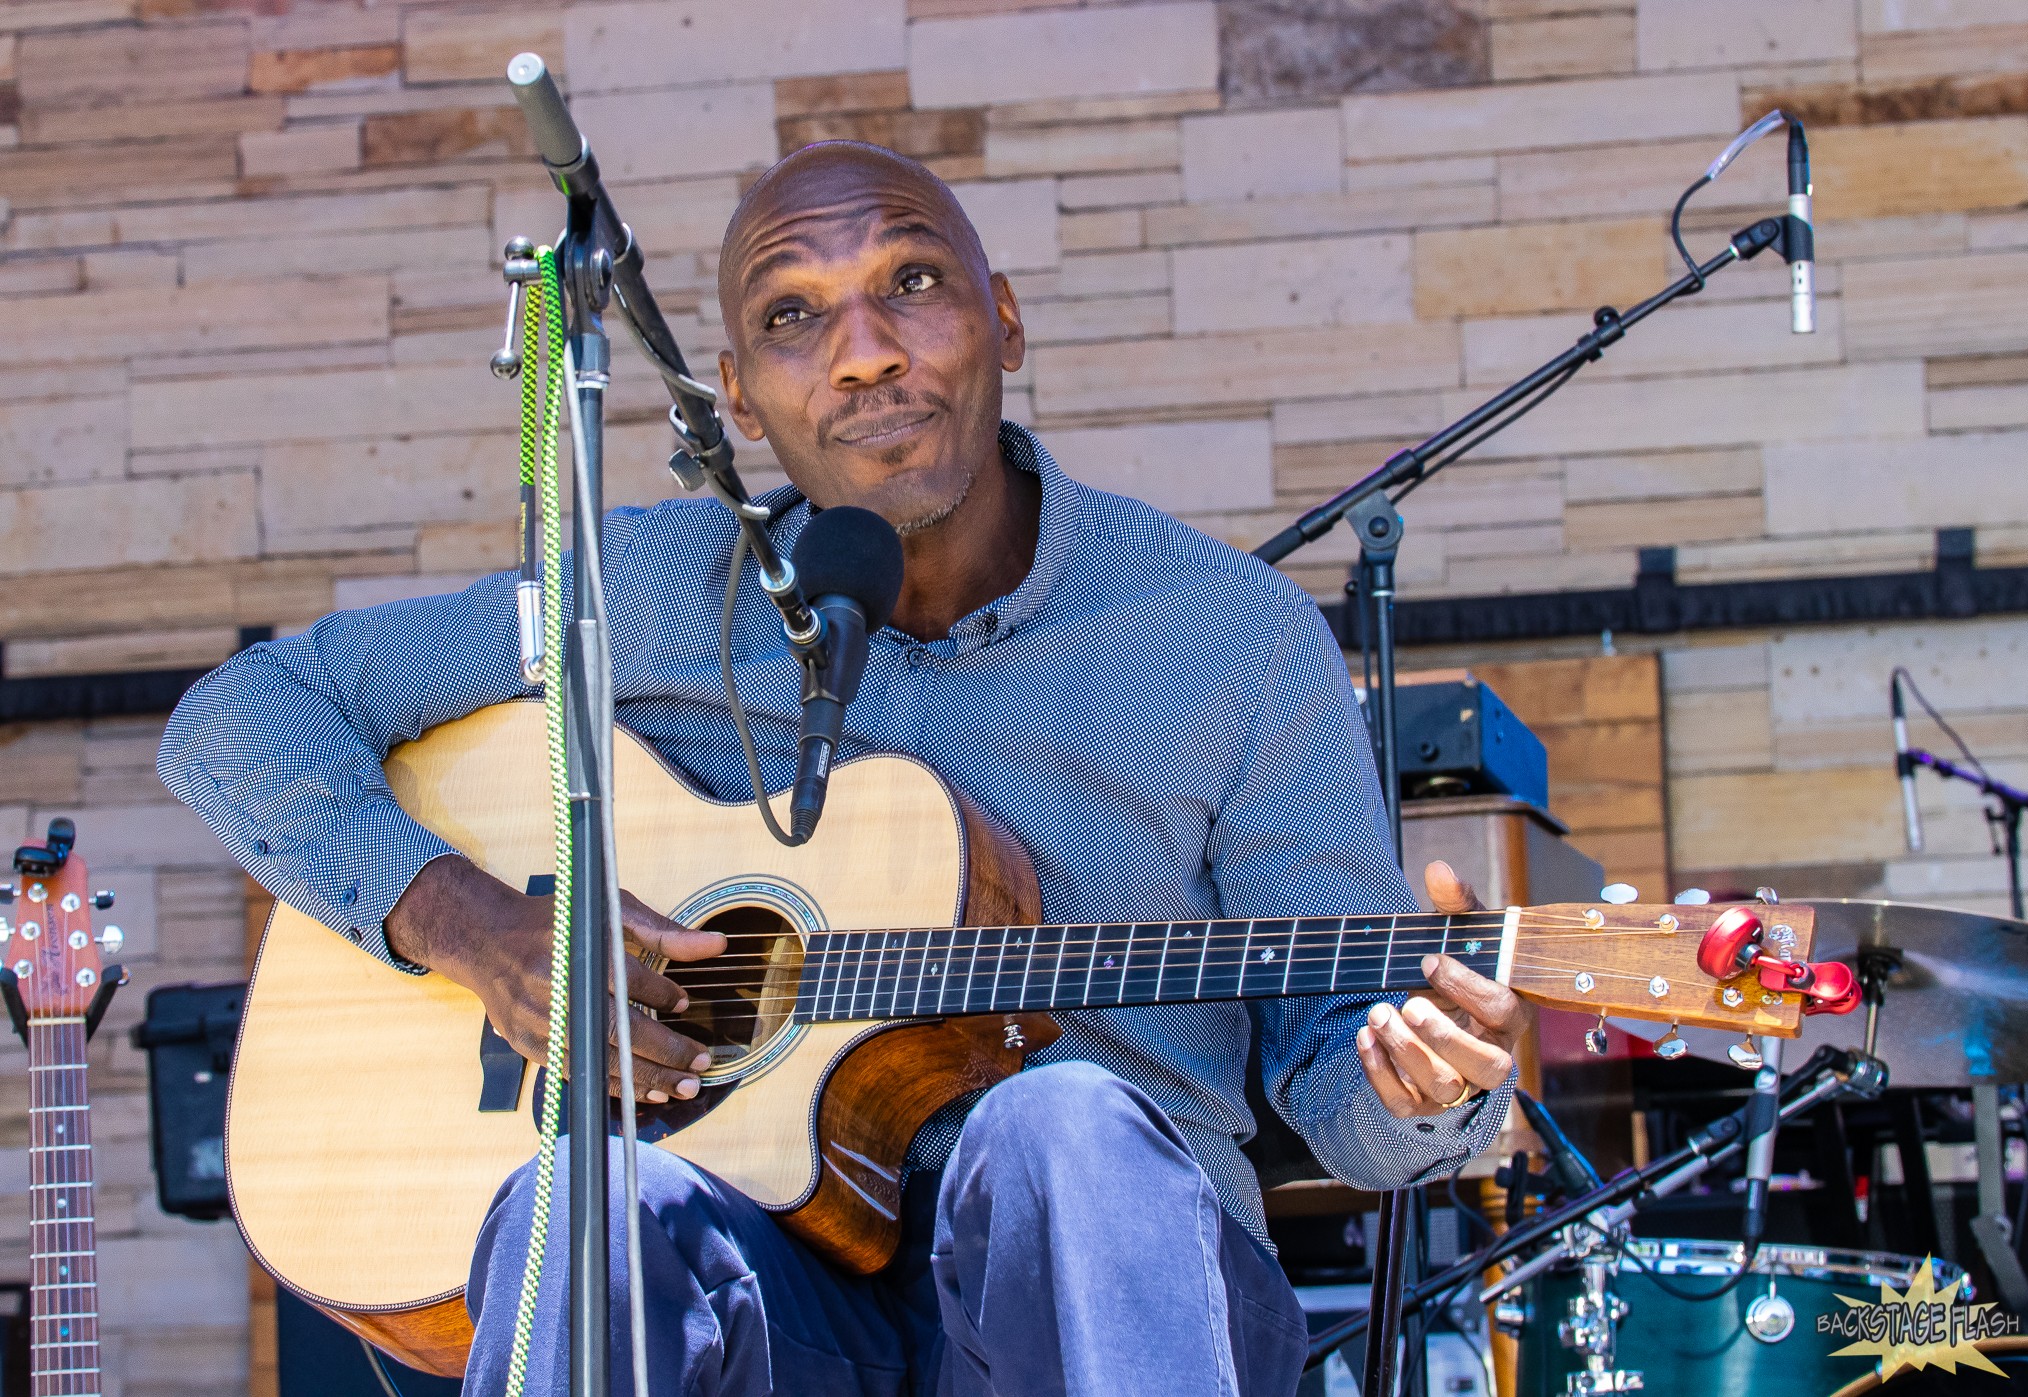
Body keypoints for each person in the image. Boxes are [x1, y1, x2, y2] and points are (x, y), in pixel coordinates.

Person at [160, 141, 1532, 1397]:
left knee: (1062, 1132)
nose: (864, 354)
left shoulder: (1231, 638)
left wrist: (1428, 1083)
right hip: (780, 1300)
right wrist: (475, 926)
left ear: (1003, 314)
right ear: (741, 403)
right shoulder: (638, 589)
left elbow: (1341, 1075)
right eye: (793, 316)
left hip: (1115, 1301)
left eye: (911, 282)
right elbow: (239, 715)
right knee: (587, 1199)